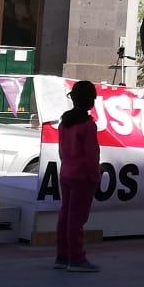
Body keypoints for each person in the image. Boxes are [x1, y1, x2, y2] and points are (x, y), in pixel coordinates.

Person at [55, 80, 101, 272]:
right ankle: (77, 258)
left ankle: (62, 256)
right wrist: (95, 177)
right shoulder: (88, 126)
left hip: (66, 173)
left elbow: (61, 152)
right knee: (77, 219)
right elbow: (92, 155)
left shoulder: (64, 123)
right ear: (92, 101)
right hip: (82, 177)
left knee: (65, 216)